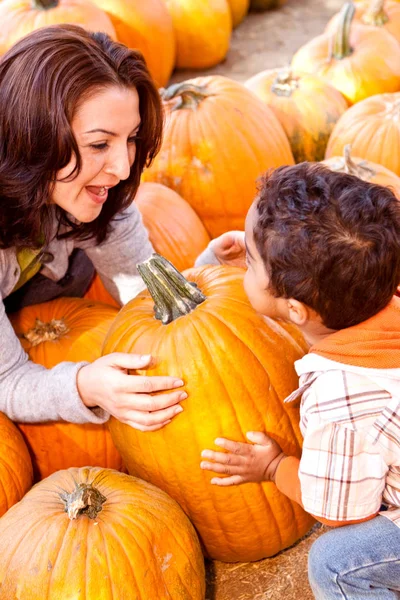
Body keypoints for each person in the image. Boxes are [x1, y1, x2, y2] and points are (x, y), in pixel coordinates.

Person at [0, 24, 222, 432]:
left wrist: (208, 273)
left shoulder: (96, 195)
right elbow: (6, 379)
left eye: (132, 138)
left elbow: (140, 292)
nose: (122, 168)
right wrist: (85, 386)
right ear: (32, 137)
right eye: (100, 144)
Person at [199, 163, 400, 599]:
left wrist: (274, 467)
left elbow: (342, 512)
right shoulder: (381, 292)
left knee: (335, 563)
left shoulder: (341, 400)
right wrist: (236, 266)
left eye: (250, 264)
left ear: (295, 311)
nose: (244, 267)